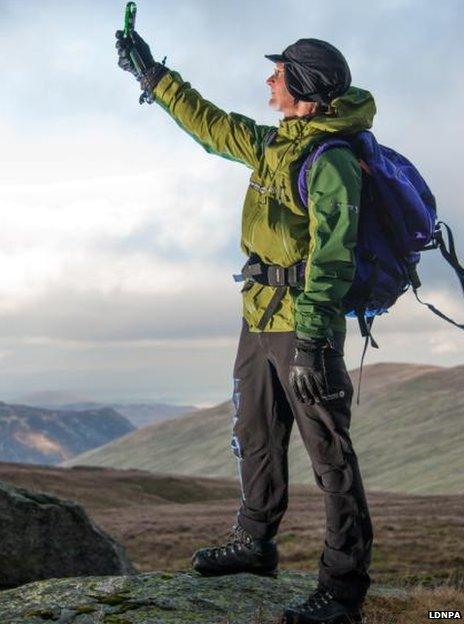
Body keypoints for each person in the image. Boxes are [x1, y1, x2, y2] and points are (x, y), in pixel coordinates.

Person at [116, 31, 375, 624]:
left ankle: (343, 589)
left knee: (330, 455)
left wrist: (311, 341)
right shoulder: (274, 145)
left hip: (302, 327)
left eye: (278, 72)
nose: (269, 81)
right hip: (257, 317)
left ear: (303, 86)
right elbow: (208, 123)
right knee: (254, 432)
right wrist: (151, 74)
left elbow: (335, 259)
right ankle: (255, 542)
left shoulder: (332, 161)